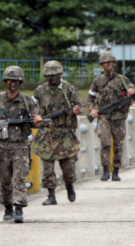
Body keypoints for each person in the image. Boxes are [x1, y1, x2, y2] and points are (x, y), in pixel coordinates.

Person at [0, 66, 42, 223]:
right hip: (3, 147)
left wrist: (37, 122)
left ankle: (19, 209)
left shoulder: (28, 101)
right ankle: (8, 207)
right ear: (5, 81)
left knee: (19, 178)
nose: (13, 84)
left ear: (21, 82)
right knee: (4, 179)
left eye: (16, 81)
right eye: (10, 81)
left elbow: (34, 122)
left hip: (20, 145)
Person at [31, 60, 82, 205]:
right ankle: (51, 195)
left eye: (55, 75)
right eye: (49, 75)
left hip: (65, 133)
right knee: (47, 167)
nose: (52, 78)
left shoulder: (68, 89)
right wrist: (36, 117)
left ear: (60, 74)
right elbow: (32, 108)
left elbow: (79, 105)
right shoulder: (40, 91)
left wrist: (76, 110)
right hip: (47, 133)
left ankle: (69, 186)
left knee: (68, 167)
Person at [87, 51, 135, 182]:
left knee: (118, 145)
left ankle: (116, 171)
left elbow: (131, 89)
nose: (107, 65)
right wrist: (92, 109)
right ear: (102, 65)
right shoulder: (98, 80)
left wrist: (131, 91)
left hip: (119, 116)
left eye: (109, 63)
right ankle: (105, 170)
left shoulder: (122, 79)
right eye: (105, 63)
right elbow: (90, 97)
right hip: (104, 116)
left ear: (114, 64)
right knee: (105, 143)